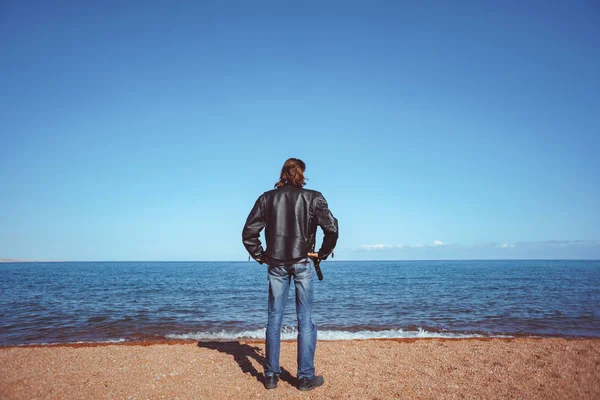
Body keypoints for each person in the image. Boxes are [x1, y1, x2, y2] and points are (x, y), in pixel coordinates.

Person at [242, 158, 338, 391]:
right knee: (304, 320)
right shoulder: (313, 197)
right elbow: (332, 229)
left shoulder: (267, 198)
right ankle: (305, 378)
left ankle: (271, 377)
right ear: (302, 174)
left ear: (283, 173)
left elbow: (249, 233)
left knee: (274, 319)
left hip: (276, 263)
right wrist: (321, 254)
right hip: (303, 261)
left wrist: (263, 256)